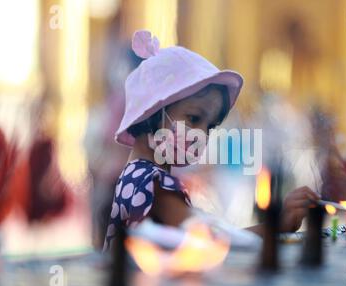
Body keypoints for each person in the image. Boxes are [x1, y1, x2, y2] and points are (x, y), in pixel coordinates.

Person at [103, 30, 319, 251]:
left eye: (211, 126)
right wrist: (278, 224)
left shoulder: (137, 174)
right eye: (194, 118)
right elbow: (212, 241)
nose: (202, 134)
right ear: (152, 115)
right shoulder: (151, 181)